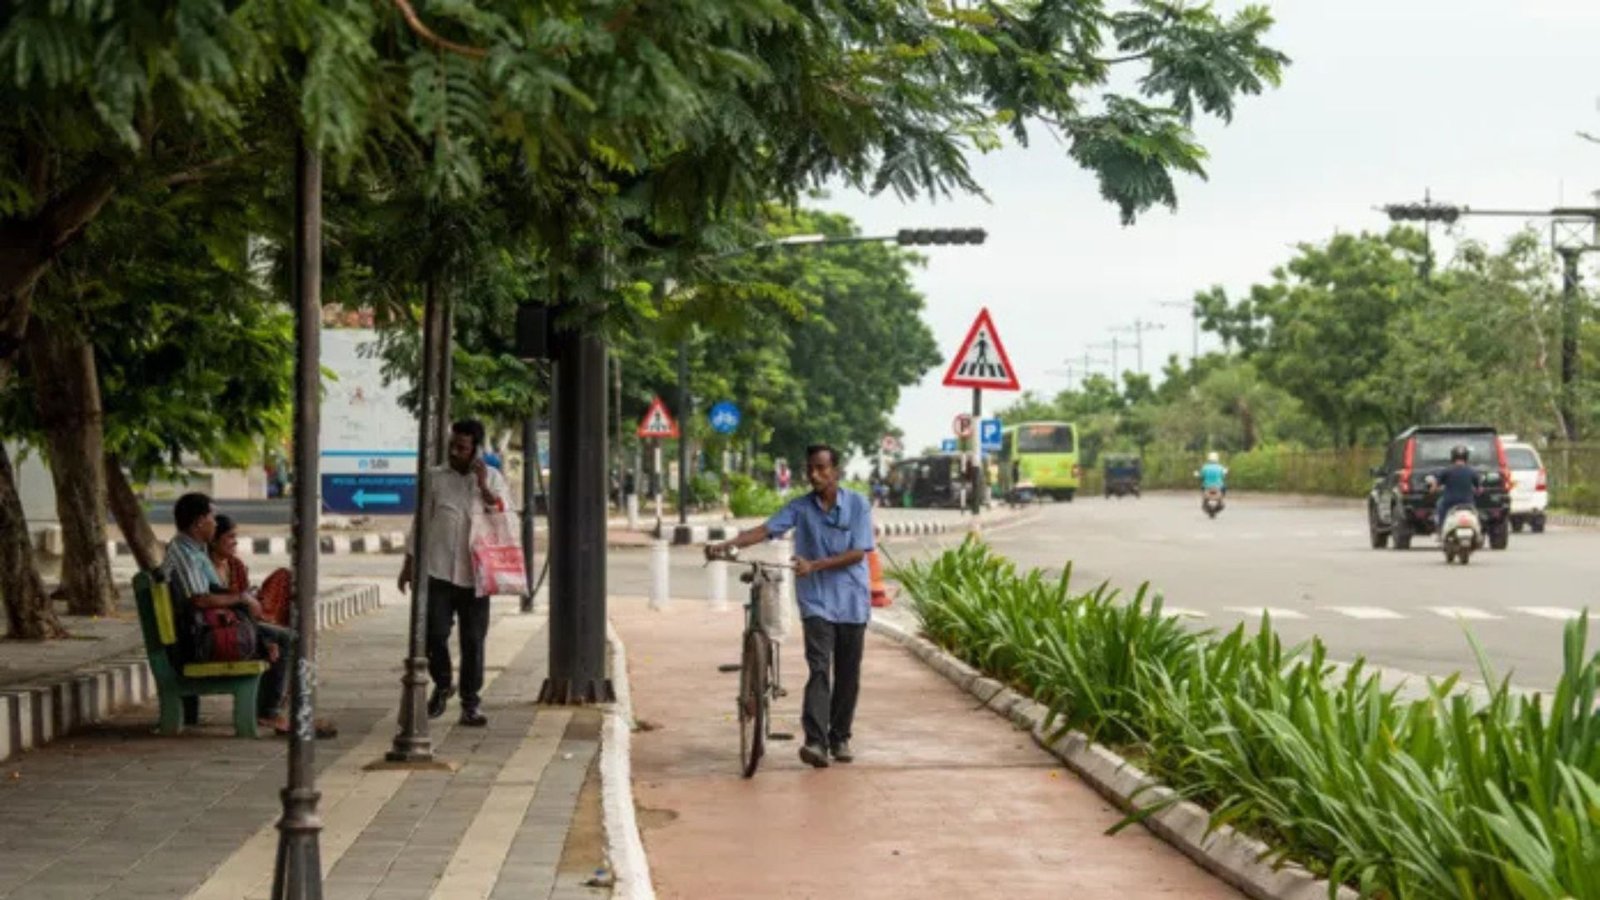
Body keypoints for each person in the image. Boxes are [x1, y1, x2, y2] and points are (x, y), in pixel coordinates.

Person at [708, 444, 874, 768]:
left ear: (836, 471)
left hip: (851, 599)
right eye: (810, 468)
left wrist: (815, 565)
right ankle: (815, 742)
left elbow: (858, 552)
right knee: (819, 667)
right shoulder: (800, 507)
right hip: (816, 600)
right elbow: (765, 530)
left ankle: (840, 736)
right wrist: (727, 545)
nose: (815, 474)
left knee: (848, 672)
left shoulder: (858, 504)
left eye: (821, 468)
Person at [398, 419, 511, 727]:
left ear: (475, 449)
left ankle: (471, 703)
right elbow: (420, 522)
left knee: (473, 640)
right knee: (434, 634)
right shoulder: (435, 478)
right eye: (452, 445)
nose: (454, 452)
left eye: (462, 447)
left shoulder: (493, 478)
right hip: (438, 572)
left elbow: (503, 516)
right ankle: (443, 683)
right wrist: (408, 564)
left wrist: (484, 486)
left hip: (476, 576)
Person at [160, 493, 297, 733]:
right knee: (286, 639)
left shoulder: (192, 550)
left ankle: (273, 708)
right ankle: (269, 713)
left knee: (275, 636)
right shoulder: (185, 554)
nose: (215, 523)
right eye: (212, 517)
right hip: (199, 639)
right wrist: (242, 598)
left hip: (203, 629)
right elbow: (200, 600)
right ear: (199, 522)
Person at [210, 515, 294, 628]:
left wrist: (251, 595)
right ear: (214, 541)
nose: (235, 542)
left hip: (250, 609)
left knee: (283, 576)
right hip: (235, 617)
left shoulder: (236, 564)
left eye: (235, 537)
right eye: (230, 537)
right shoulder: (205, 566)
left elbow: (245, 592)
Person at [1427, 444, 1483, 532]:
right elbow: (1480, 490)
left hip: (1449, 502)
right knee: (1476, 514)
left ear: (1452, 457)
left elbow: (1434, 488)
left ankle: (1441, 528)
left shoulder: (1446, 471)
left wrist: (1432, 490)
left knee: (1439, 505)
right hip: (1467, 502)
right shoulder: (1472, 472)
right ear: (1466, 457)